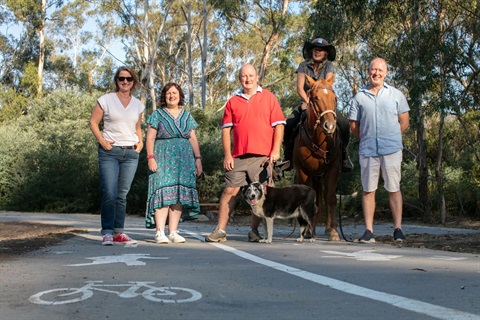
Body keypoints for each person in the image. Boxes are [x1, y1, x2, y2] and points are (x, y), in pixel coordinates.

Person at [205, 64, 286, 242]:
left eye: (250, 75)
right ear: (240, 79)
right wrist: (227, 155)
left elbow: (279, 125)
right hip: (238, 157)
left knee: (260, 194)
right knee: (229, 191)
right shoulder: (233, 101)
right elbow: (226, 130)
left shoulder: (269, 98)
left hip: (262, 157)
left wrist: (275, 149)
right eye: (243, 76)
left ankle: (254, 231)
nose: (247, 79)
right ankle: (220, 230)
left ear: (257, 76)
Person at [348, 57, 410, 243]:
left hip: (391, 150)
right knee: (368, 190)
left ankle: (398, 229)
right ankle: (368, 231)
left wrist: (391, 137)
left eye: (380, 70)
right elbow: (353, 126)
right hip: (368, 151)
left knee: (394, 188)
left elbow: (404, 121)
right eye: (373, 70)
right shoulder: (359, 97)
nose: (376, 73)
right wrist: (367, 139)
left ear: (386, 73)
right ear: (368, 71)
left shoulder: (396, 95)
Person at [89, 66, 145, 245]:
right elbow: (93, 122)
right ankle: (107, 232)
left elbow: (137, 127)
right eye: (122, 79)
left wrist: (141, 142)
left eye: (129, 79)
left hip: (130, 153)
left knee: (122, 195)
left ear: (133, 82)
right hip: (109, 153)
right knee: (110, 194)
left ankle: (118, 232)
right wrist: (102, 141)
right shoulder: (105, 100)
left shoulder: (138, 104)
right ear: (116, 81)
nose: (125, 82)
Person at [282, 38, 353, 172]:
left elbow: (326, 84)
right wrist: (308, 103)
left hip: (324, 104)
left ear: (326, 53)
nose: (317, 51)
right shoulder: (303, 65)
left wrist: (319, 100)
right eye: (315, 49)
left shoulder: (329, 66)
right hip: (306, 101)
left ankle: (344, 155)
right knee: (289, 123)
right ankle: (287, 157)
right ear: (311, 51)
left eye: (320, 50)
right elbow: (299, 88)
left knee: (344, 124)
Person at [145, 83, 202, 244]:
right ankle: (160, 232)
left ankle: (173, 231)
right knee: (163, 193)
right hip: (162, 157)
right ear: (164, 96)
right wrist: (151, 157)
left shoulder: (187, 116)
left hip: (184, 160)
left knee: (178, 195)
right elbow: (149, 138)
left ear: (180, 96)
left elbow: (193, 138)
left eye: (174, 93)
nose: (171, 96)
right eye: (168, 93)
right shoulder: (157, 115)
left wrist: (198, 159)